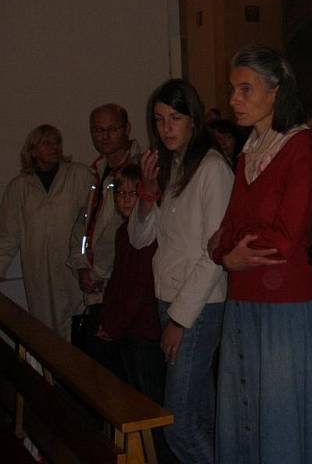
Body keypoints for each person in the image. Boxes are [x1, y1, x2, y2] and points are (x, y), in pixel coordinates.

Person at [212, 46, 312, 464]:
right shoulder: (249, 148)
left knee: (280, 414)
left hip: (286, 302)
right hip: (243, 293)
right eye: (233, 90)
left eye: (245, 89)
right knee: (243, 409)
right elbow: (223, 232)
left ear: (276, 90)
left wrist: (235, 247)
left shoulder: (302, 146)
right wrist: (228, 256)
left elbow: (287, 236)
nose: (234, 100)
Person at [129, 80, 233, 464]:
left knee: (179, 424)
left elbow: (216, 253)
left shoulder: (212, 169)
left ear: (194, 119)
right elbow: (142, 239)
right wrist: (147, 192)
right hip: (169, 299)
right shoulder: (172, 167)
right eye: (158, 120)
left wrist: (178, 319)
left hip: (198, 307)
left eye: (175, 118)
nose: (166, 128)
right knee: (200, 415)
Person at [97, 164, 174, 463]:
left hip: (145, 330)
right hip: (126, 330)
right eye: (122, 194)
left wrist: (114, 325)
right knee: (131, 397)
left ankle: (162, 456)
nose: (127, 200)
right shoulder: (122, 232)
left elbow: (141, 288)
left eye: (134, 194)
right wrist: (108, 319)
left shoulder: (148, 234)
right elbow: (119, 281)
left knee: (151, 403)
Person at [0, 125, 92, 339]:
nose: (54, 148)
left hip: (73, 269)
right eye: (46, 143)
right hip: (40, 272)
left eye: (57, 142)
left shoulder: (79, 176)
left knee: (79, 329)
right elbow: (8, 235)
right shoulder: (19, 188)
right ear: (33, 150)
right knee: (46, 333)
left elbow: (94, 223)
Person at [69, 103, 140, 359]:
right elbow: (85, 223)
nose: (105, 136)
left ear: (127, 129)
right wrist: (81, 265)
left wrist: (98, 273)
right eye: (98, 130)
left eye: (112, 129)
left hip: (122, 288)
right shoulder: (98, 170)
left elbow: (128, 234)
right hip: (96, 285)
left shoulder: (138, 170)